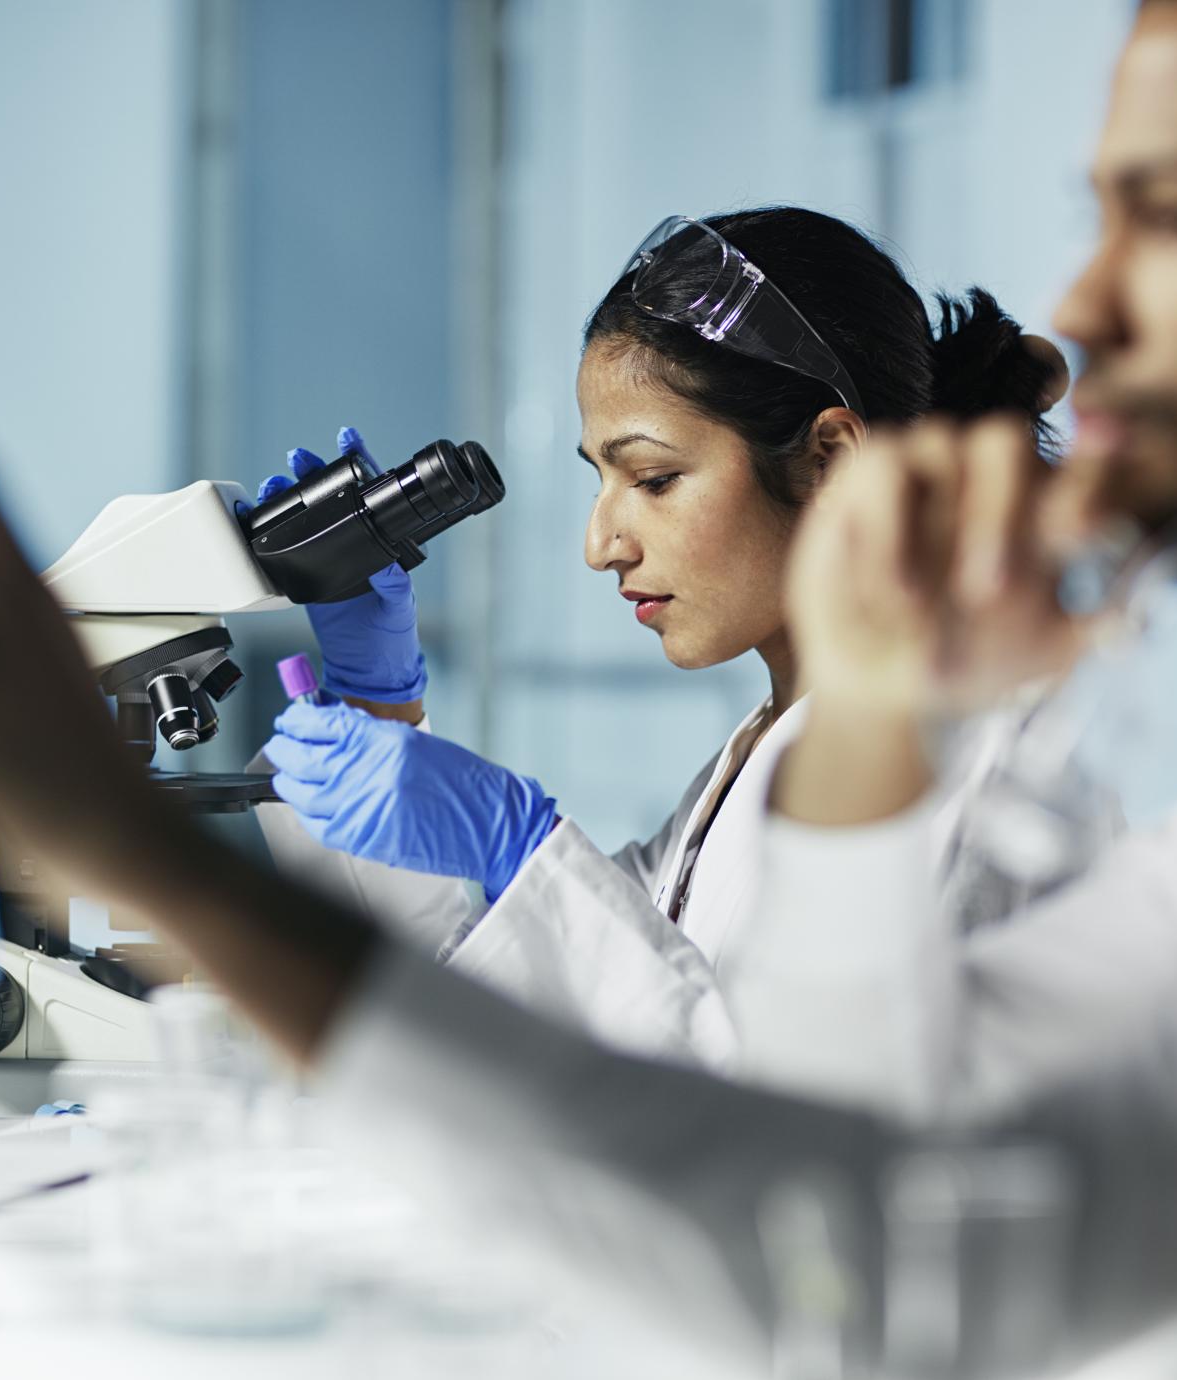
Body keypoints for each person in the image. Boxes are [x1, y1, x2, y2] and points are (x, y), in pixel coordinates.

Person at [0, 1, 1177, 1371]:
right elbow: (855, 1156)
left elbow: (867, 1280)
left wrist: (156, 849)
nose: (1088, 302)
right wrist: (833, 716)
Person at [249, 208, 1111, 1094]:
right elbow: (509, 1035)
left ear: (829, 460)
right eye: (602, 479)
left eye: (654, 480)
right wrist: (376, 704)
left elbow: (777, 1129)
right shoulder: (755, 762)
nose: (602, 543)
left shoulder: (950, 761)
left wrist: (525, 849)